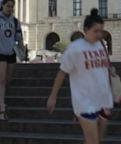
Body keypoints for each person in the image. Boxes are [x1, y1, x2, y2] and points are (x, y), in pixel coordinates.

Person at [47, 9, 113, 144]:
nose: (99, 34)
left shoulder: (101, 45)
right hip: (85, 101)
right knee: (93, 141)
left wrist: (110, 69)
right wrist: (53, 96)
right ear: (85, 29)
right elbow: (62, 72)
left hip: (104, 99)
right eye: (96, 31)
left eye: (101, 31)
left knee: (97, 140)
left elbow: (103, 66)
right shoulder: (75, 48)